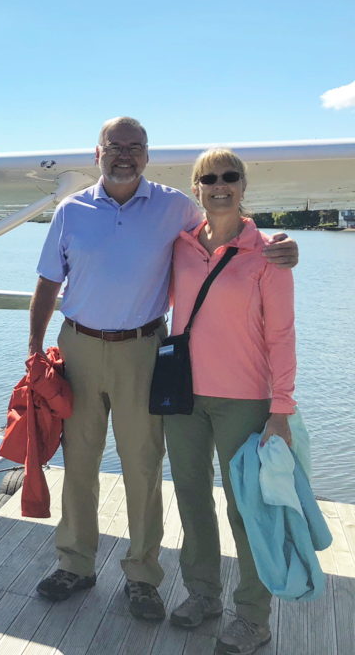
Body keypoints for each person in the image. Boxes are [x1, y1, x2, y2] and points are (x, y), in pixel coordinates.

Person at [27, 118, 297, 622]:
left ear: (148, 154)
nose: (124, 154)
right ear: (98, 153)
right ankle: (75, 562)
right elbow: (47, 282)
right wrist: (34, 349)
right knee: (79, 463)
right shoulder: (70, 211)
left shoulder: (176, 207)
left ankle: (142, 575)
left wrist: (281, 245)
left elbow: (229, 230)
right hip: (79, 346)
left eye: (135, 147)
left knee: (143, 466)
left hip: (144, 349)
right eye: (115, 146)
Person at [163, 148, 294, 655]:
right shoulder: (179, 245)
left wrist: (281, 406)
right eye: (209, 178)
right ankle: (203, 594)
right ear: (196, 188)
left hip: (244, 399)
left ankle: (253, 617)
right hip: (184, 395)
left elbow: (282, 335)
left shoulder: (268, 252)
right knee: (193, 500)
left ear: (243, 186)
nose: (220, 185)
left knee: (246, 510)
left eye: (230, 177)